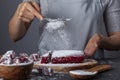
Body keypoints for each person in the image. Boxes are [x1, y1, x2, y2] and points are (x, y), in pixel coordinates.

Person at [9, 0, 120, 59]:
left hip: (90, 67)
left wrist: (101, 40)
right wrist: (19, 14)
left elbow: (118, 37)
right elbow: (15, 35)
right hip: (48, 68)